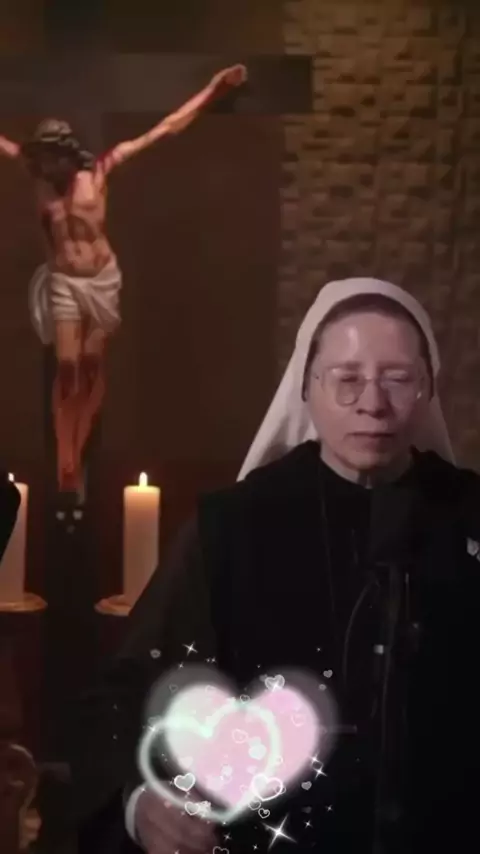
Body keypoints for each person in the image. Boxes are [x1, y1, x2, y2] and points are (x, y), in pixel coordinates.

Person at [64, 278, 479, 853]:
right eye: (347, 379)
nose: (373, 403)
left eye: (398, 378)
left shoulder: (468, 515)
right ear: (306, 388)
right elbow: (126, 692)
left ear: (428, 389)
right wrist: (140, 802)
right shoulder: (234, 525)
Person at [0, 63, 247, 497]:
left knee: (92, 365)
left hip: (101, 279)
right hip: (64, 280)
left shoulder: (99, 170)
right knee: (67, 366)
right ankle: (65, 454)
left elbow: (165, 129)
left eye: (53, 155)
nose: (48, 162)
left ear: (67, 153)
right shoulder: (36, 174)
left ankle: (77, 444)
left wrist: (213, 90)